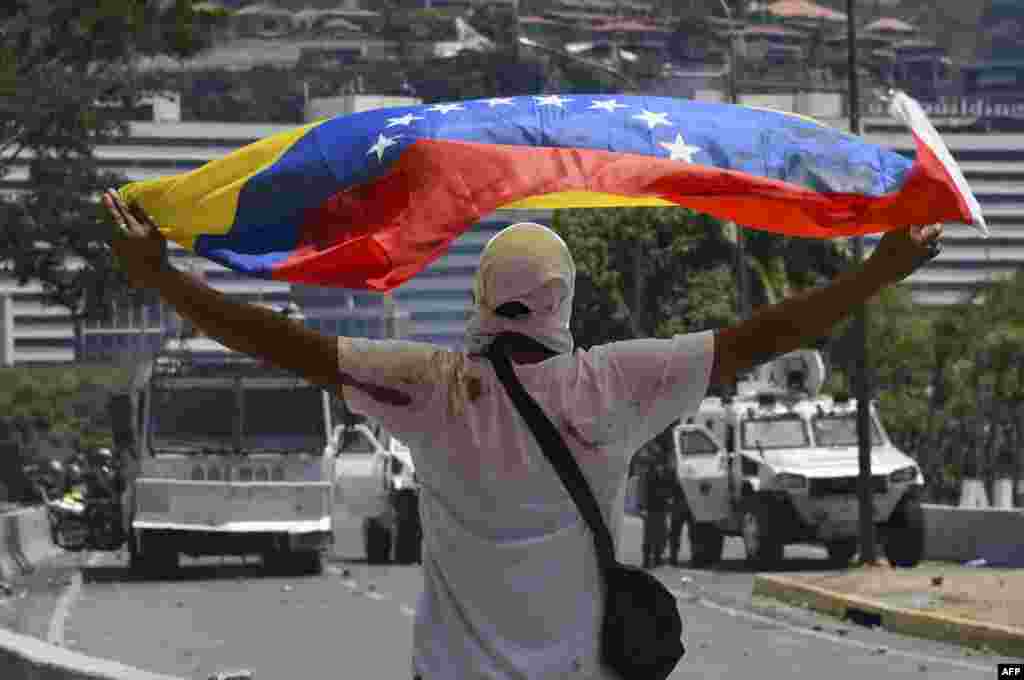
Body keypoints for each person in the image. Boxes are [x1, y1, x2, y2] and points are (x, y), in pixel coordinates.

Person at [102, 189, 941, 680]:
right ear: (565, 299)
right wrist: (882, 268)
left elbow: (281, 342)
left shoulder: (428, 385)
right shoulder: (617, 381)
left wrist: (164, 278)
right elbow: (764, 335)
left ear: (480, 295)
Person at [641, 461, 672, 569]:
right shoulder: (649, 475)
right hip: (651, 509)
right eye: (659, 465)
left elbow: (667, 490)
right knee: (649, 536)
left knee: (660, 535)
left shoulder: (665, 475)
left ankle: (657, 559)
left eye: (662, 466)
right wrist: (643, 507)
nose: (660, 467)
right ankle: (646, 560)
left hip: (661, 509)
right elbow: (644, 490)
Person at [665, 466, 690, 567]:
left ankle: (673, 557)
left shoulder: (676, 473)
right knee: (675, 534)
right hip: (680, 506)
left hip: (684, 506)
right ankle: (673, 557)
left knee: (676, 534)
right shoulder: (673, 474)